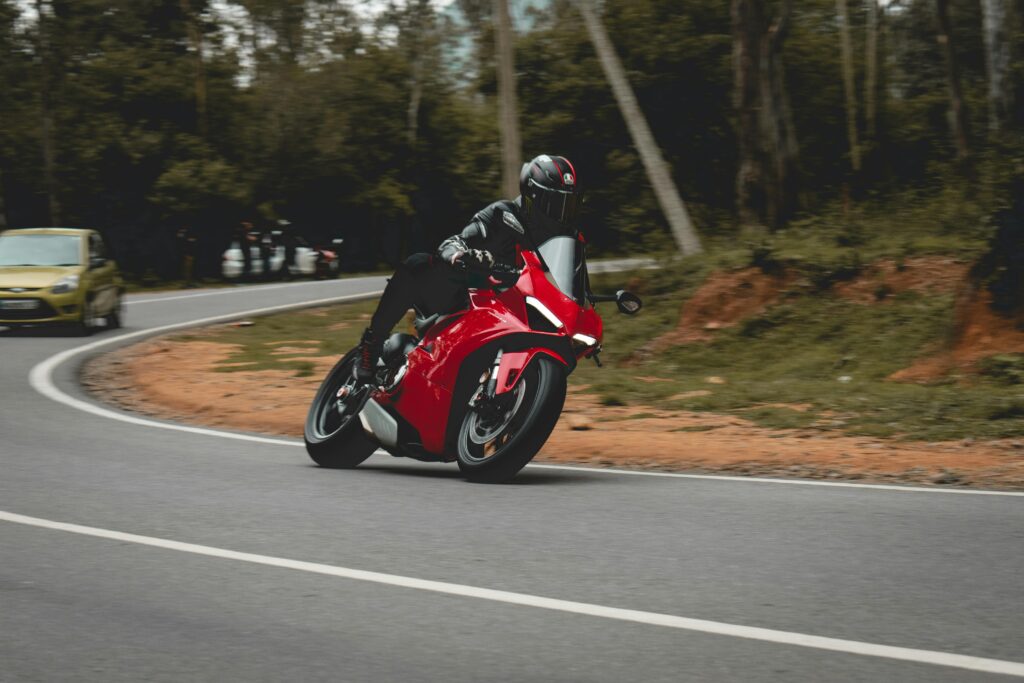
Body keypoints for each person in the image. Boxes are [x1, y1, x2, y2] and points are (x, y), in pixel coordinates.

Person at [352, 154, 582, 383]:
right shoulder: (503, 214)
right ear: (533, 196)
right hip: (472, 297)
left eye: (568, 204)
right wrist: (458, 253)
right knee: (417, 264)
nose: (562, 212)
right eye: (555, 203)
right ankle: (372, 344)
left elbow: (574, 289)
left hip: (524, 312)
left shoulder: (568, 241)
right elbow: (460, 240)